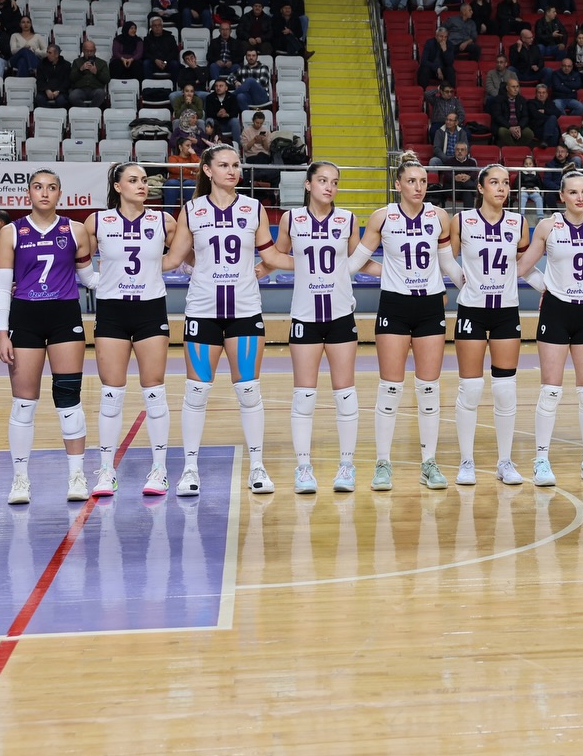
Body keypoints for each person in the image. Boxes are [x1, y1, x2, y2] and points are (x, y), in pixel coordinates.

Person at [161, 144, 279, 497]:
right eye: (224, 165)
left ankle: (257, 466)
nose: (232, 171)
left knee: (249, 390)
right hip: (202, 311)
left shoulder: (254, 208)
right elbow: (174, 259)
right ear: (208, 170)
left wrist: (268, 267)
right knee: (196, 391)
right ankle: (190, 469)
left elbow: (271, 254)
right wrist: (119, 270)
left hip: (244, 310)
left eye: (236, 165)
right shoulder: (192, 210)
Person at [257, 162, 378, 493]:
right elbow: (277, 256)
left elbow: (359, 262)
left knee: (345, 393)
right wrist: (255, 272)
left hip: (340, 315)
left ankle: (346, 466)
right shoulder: (291, 219)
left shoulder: (348, 219)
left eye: (334, 182)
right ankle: (303, 468)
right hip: (305, 316)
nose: (329, 187)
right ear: (308, 185)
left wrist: (398, 272)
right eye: (322, 180)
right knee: (304, 395)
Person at [345, 152, 458, 491]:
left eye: (423, 181)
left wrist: (474, 286)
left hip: (430, 306)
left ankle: (429, 463)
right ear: (398, 185)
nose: (418, 187)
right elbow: (357, 261)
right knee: (390, 387)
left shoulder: (439, 217)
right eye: (411, 181)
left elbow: (448, 264)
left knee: (428, 388)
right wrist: (325, 278)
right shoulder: (382, 217)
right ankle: (383, 463)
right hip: (394, 306)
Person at [0, 169, 95, 504]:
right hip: (26, 318)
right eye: (38, 187)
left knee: (69, 398)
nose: (45, 193)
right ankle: (20, 480)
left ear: (60, 193)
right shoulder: (11, 232)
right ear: (29, 193)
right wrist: (2, 333)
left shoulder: (75, 230)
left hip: (65, 316)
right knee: (23, 404)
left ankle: (76, 476)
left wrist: (137, 278)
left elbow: (90, 279)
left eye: (51, 187)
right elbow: (2, 288)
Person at [81, 163, 180, 497]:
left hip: (150, 309)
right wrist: (96, 281)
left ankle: (159, 470)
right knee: (111, 394)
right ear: (117, 186)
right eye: (134, 180)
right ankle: (106, 471)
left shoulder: (163, 221)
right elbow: (79, 259)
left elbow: (183, 257)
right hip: (112, 311)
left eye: (145, 181)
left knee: (154, 391)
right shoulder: (97, 221)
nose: (142, 186)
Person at [515, 170, 583, 486]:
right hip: (556, 311)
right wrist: (546, 287)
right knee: (551, 390)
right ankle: (541, 459)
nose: (580, 197)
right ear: (562, 196)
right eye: (573, 192)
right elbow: (523, 267)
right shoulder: (548, 226)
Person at [446, 165, 530, 486]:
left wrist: (547, 288)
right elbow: (446, 258)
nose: (501, 188)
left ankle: (504, 462)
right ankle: (466, 461)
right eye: (494, 182)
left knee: (505, 390)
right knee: (470, 388)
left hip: (506, 312)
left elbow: (523, 266)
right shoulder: (462, 221)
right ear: (480, 188)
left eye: (505, 183)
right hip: (472, 311)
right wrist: (462, 282)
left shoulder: (518, 223)